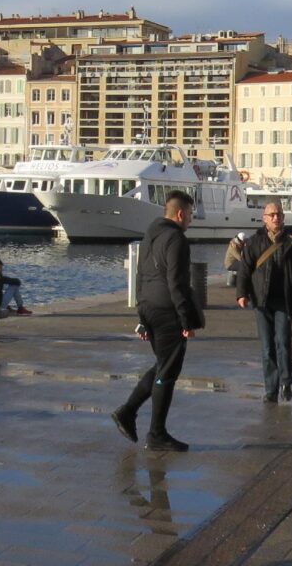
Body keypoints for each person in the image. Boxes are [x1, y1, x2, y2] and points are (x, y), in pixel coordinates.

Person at [113, 191, 204, 452]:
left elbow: (141, 276)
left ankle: (128, 412)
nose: (190, 220)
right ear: (180, 214)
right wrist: (186, 320)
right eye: (189, 215)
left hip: (149, 307)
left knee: (163, 365)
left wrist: (142, 316)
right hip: (167, 311)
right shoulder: (176, 239)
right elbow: (177, 283)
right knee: (167, 372)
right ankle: (156, 433)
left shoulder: (150, 235)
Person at [235, 201, 292, 403]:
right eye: (271, 215)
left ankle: (286, 382)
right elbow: (244, 270)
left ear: (283, 217)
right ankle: (271, 388)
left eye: (278, 214)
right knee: (267, 347)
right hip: (262, 301)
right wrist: (241, 294)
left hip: (284, 300)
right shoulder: (254, 242)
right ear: (264, 219)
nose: (275, 218)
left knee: (283, 342)